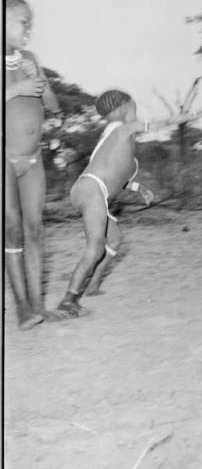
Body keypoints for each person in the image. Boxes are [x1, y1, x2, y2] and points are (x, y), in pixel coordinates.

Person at [55, 90, 160, 318]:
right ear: (123, 108)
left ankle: (92, 285)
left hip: (94, 190)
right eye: (133, 106)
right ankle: (68, 301)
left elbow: (115, 179)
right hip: (92, 189)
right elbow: (160, 123)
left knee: (115, 239)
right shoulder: (119, 128)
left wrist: (138, 188)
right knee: (95, 248)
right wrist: (192, 114)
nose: (135, 111)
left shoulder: (118, 139)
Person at [5, 0, 63, 330]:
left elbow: (54, 106)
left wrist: (38, 82)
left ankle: (39, 304)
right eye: (23, 22)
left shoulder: (30, 58)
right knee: (12, 229)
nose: (29, 29)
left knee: (35, 229)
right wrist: (18, 87)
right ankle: (23, 307)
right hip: (5, 160)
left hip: (33, 158)